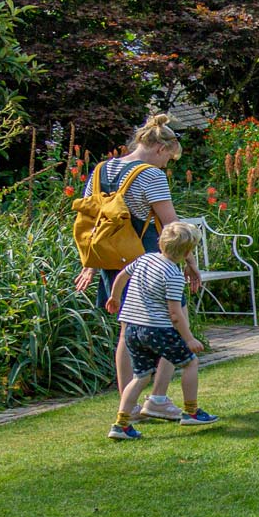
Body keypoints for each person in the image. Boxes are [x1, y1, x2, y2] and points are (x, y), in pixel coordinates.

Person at [73, 113, 202, 396]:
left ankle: (126, 402)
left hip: (112, 261)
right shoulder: (151, 174)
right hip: (151, 259)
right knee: (175, 321)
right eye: (168, 159)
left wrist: (90, 264)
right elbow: (172, 225)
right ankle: (157, 397)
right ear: (160, 149)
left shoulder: (100, 170)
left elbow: (93, 220)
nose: (166, 165)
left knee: (126, 330)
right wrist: (191, 262)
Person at [104, 222, 214, 437]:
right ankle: (191, 412)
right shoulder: (173, 275)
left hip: (132, 330)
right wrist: (189, 339)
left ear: (160, 242)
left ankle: (121, 424)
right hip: (157, 330)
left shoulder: (145, 259)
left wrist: (115, 297)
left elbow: (121, 277)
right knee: (190, 362)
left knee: (140, 376)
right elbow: (175, 314)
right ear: (188, 252)